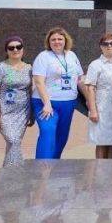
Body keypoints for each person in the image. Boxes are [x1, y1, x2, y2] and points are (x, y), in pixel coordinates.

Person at [30, 27, 85, 159]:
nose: (57, 42)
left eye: (60, 39)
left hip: (68, 103)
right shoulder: (43, 57)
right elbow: (39, 82)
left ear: (65, 40)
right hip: (46, 103)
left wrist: (89, 99)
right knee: (48, 131)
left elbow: (79, 79)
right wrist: (47, 104)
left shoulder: (72, 55)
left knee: (62, 136)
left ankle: (53, 165)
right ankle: (42, 169)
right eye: (53, 39)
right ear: (48, 42)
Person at [0, 36, 33, 166]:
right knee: (13, 140)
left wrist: (32, 114)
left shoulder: (29, 68)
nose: (15, 50)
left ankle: (8, 176)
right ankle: (16, 173)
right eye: (11, 48)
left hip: (23, 112)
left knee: (14, 143)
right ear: (6, 51)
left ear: (23, 49)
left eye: (18, 47)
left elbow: (30, 91)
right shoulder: (0, 68)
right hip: (5, 112)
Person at [83, 33, 112, 159]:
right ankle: (100, 171)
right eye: (105, 44)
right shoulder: (95, 65)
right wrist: (93, 110)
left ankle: (111, 172)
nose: (109, 46)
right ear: (100, 47)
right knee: (101, 141)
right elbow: (90, 88)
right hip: (101, 106)